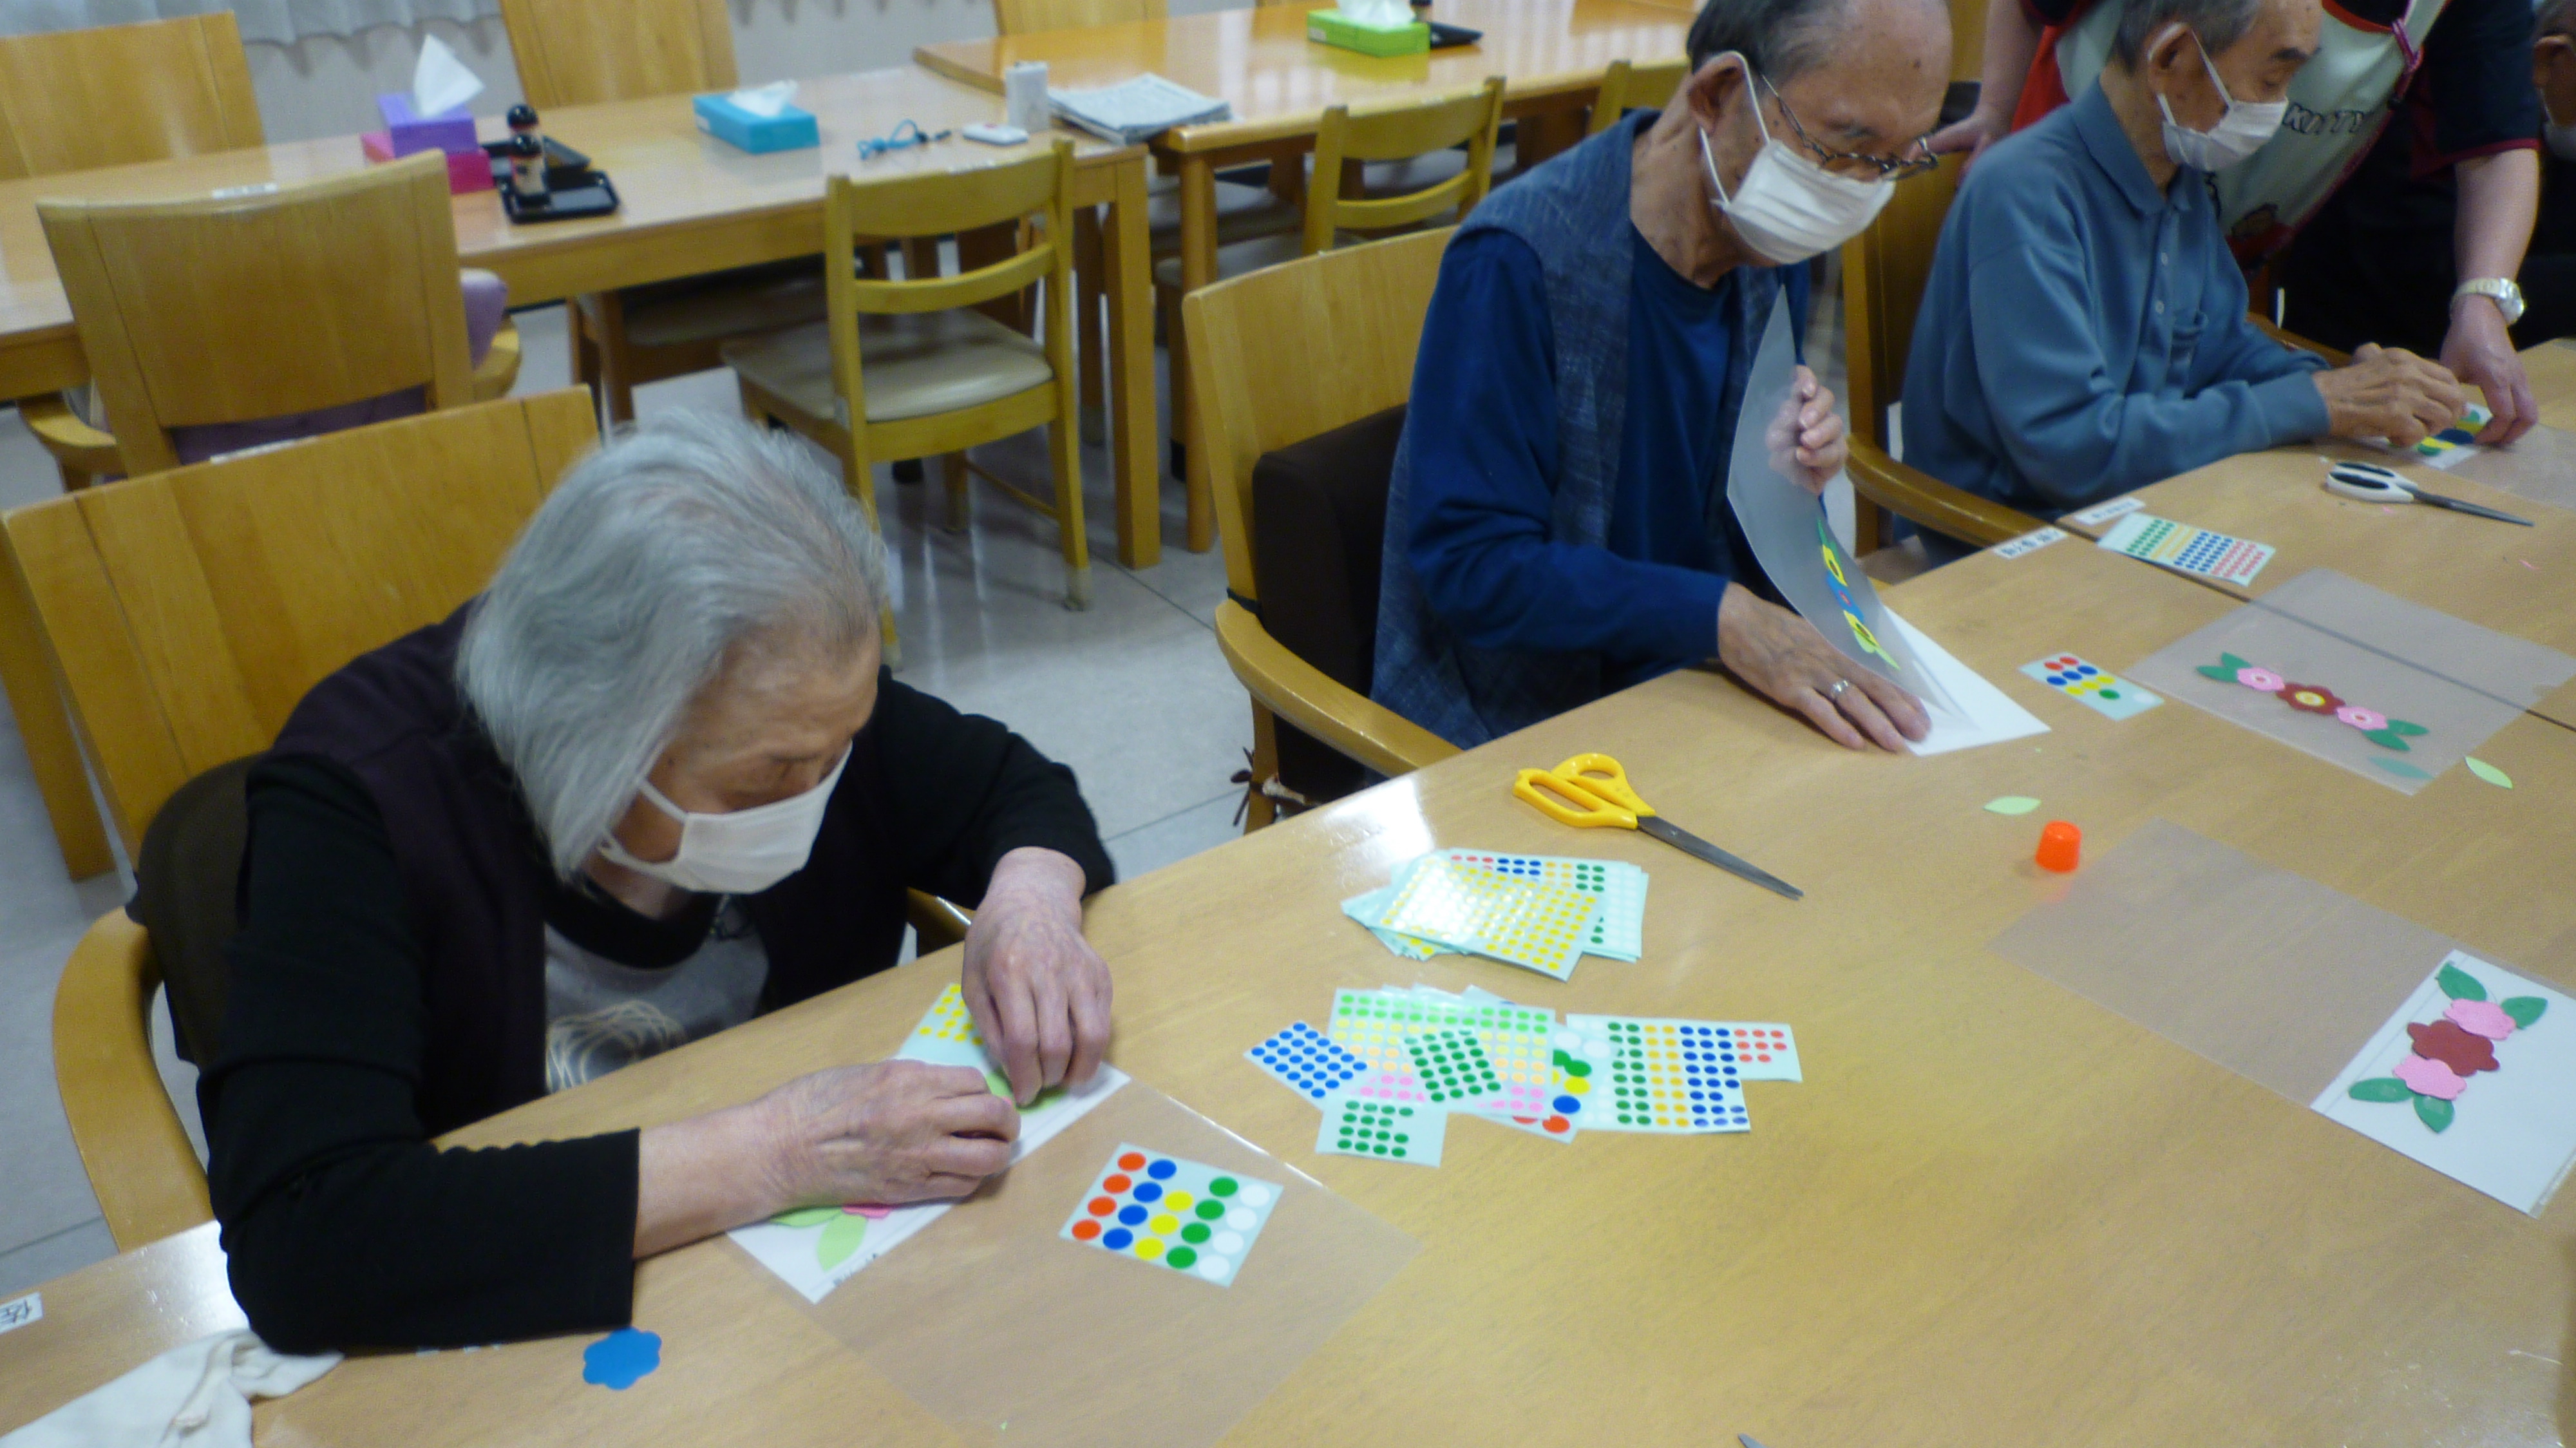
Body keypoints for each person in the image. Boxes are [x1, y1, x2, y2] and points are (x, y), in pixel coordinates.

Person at [200, 414, 1117, 1351]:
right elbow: (305, 1239)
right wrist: (778, 1152)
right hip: (530, 1315)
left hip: (798, 1294)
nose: (815, 794)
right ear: (597, 734)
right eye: (766, 776)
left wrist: (1030, 906)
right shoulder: (363, 803)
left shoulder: (799, 697)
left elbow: (1014, 789)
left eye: (840, 749)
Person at [1373, 0, 1949, 755]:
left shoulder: (1767, 239)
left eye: (1900, 159)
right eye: (1847, 146)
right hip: (1527, 719)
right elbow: (1473, 568)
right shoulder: (1517, 262)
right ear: (1716, 96)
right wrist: (1719, 616)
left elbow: (1718, 515)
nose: (1863, 187)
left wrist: (1791, 475)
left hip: (1695, 681)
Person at [1901, 0, 2468, 524]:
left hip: (2136, 505)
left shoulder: (2177, 178)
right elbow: (2073, 452)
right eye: (2272, 80)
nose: (2280, 107)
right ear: (2171, 59)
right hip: (2011, 538)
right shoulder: (2025, 193)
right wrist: (2313, 402)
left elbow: (2220, 347)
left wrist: (2346, 390)